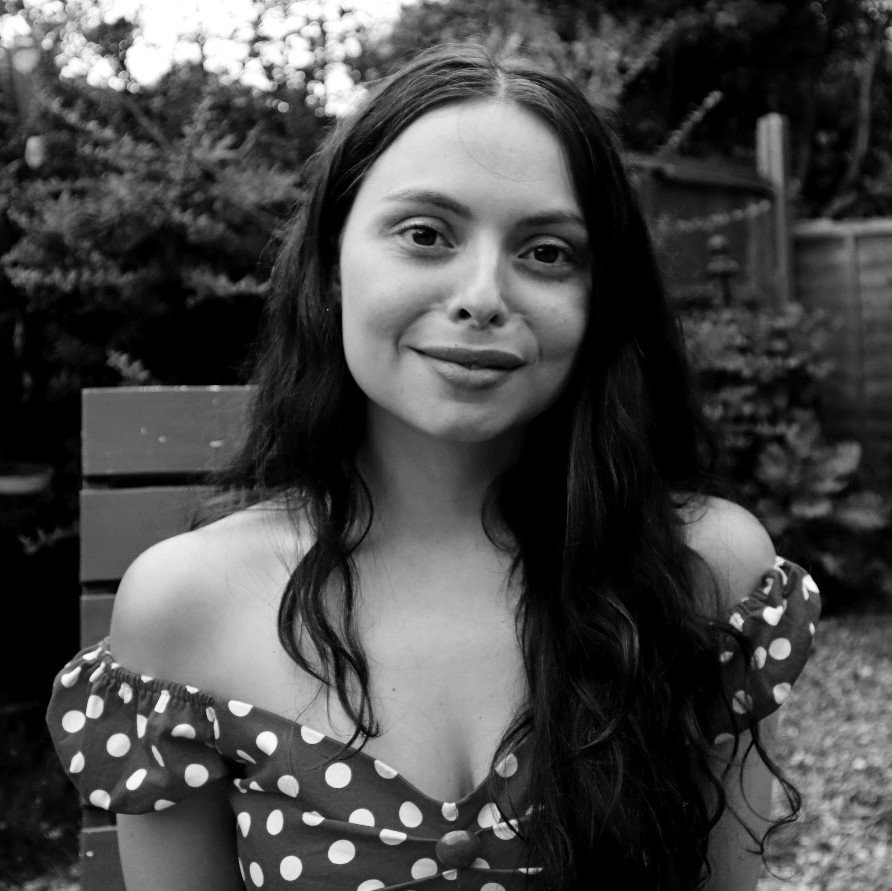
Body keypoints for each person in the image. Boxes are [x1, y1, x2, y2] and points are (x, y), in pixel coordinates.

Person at [47, 43, 820, 891]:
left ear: (600, 301)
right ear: (332, 265)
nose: (483, 293)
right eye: (425, 234)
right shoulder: (186, 605)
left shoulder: (706, 573)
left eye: (548, 252)